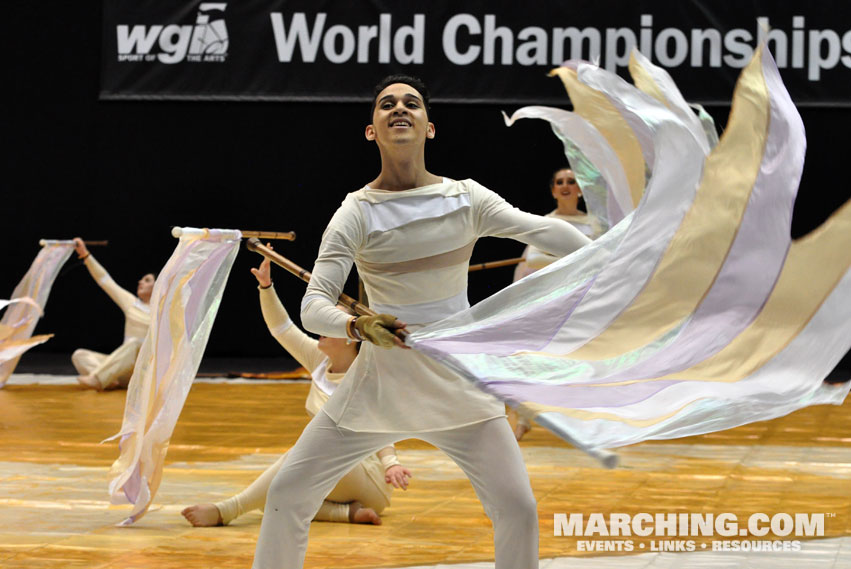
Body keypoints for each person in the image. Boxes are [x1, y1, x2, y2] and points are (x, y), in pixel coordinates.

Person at [251, 75, 590, 569]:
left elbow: (543, 230)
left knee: (517, 508)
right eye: (386, 104)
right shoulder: (356, 212)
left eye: (411, 103)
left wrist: (612, 257)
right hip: (378, 388)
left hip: (458, 385)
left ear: (430, 127)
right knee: (287, 496)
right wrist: (357, 327)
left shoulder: (466, 199)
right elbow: (313, 304)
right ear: (372, 130)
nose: (399, 109)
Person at [181, 251, 411, 527]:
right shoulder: (318, 359)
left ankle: (228, 510)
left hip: (368, 478)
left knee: (308, 450)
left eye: (334, 322)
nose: (324, 326)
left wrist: (391, 463)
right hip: (327, 469)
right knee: (276, 497)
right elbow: (281, 328)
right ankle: (346, 514)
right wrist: (266, 288)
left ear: (352, 337)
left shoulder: (366, 374)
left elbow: (381, 426)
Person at [510, 167, 604, 439]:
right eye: (560, 182)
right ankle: (524, 418)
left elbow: (602, 263)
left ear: (580, 190)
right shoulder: (546, 223)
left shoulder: (595, 225)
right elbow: (532, 262)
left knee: (589, 364)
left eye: (571, 182)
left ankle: (590, 424)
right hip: (549, 303)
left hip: (584, 304)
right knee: (530, 361)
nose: (565, 185)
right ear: (553, 191)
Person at [70, 238, 153, 390]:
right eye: (141, 279)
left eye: (147, 280)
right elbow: (105, 280)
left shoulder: (162, 311)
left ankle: (99, 378)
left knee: (135, 343)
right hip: (123, 370)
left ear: (158, 286)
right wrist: (85, 254)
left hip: (143, 373)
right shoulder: (132, 304)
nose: (140, 282)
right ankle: (107, 379)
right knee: (79, 355)